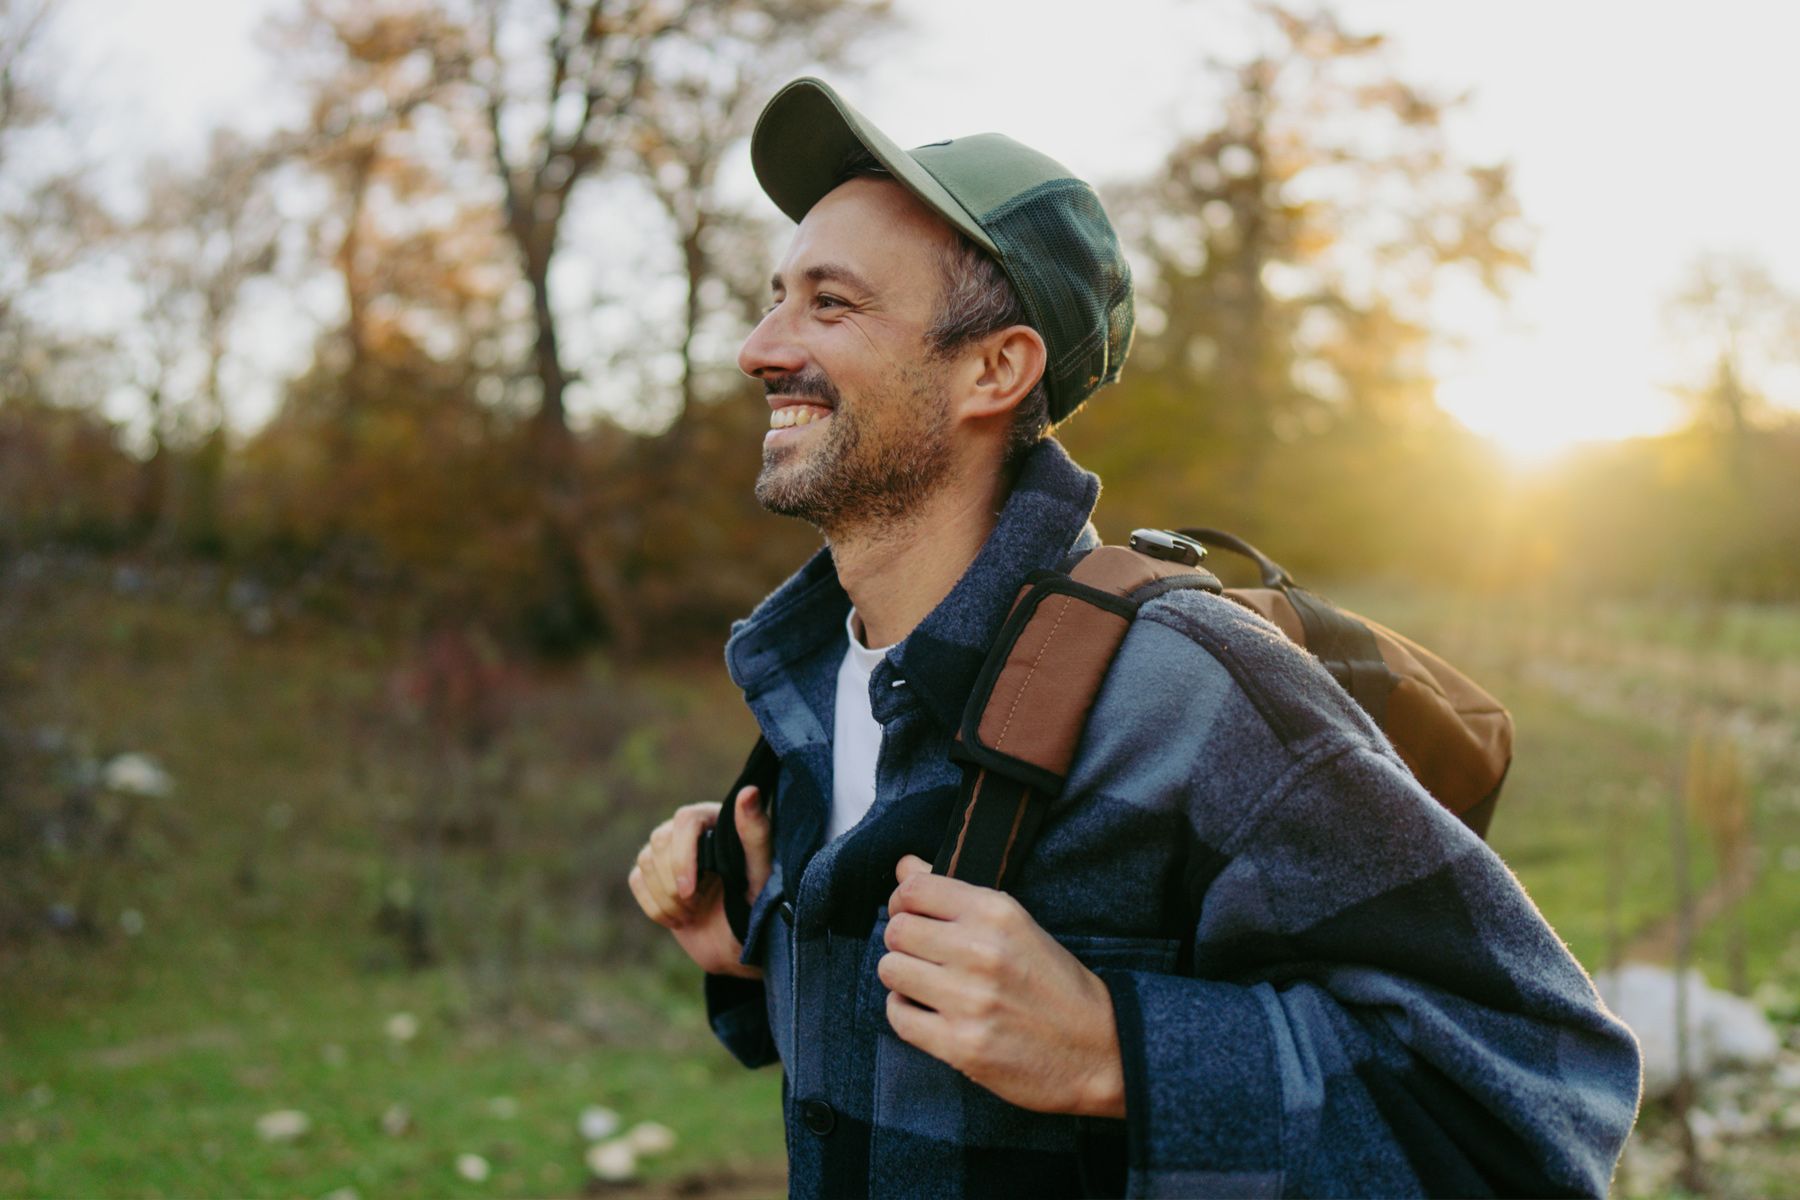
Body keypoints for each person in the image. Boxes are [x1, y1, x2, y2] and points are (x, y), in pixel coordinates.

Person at [628, 76, 1641, 1198]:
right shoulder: (819, 677)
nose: (758, 347)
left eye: (831, 304)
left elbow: (1547, 1098)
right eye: (777, 296)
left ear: (994, 369)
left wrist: (1118, 1051)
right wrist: (760, 946)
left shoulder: (1192, 691)